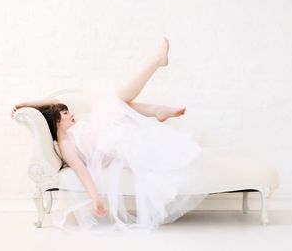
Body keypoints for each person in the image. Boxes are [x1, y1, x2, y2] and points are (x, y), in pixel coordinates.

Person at [11, 37, 206, 233]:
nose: (71, 114)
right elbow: (82, 172)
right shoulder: (66, 144)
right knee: (113, 101)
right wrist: (96, 198)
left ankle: (156, 93)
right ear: (56, 122)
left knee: (113, 101)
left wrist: (27, 102)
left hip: (118, 136)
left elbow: (54, 100)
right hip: (120, 145)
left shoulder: (75, 128)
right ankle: (155, 85)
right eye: (65, 113)